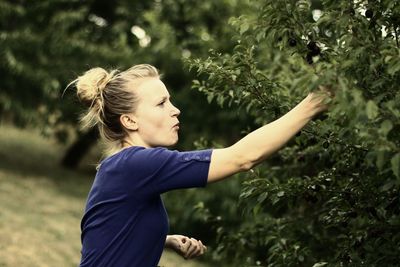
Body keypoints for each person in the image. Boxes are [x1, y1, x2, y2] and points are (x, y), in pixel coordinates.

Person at [71, 64, 329, 267]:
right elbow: (241, 158)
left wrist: (162, 240)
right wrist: (313, 104)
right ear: (129, 121)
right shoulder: (137, 164)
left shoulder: (120, 166)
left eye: (169, 100)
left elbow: (108, 233)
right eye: (161, 104)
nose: (176, 110)